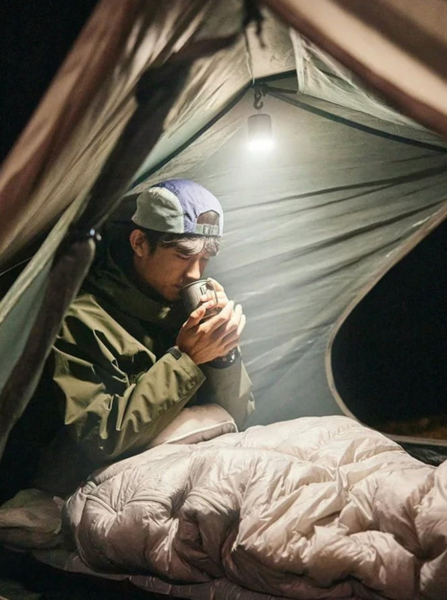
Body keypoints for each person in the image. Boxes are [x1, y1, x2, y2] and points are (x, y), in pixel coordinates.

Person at [33, 179, 254, 496]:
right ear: (139, 243)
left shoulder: (189, 308)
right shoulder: (81, 319)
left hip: (200, 471)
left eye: (205, 257)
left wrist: (223, 354)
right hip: (104, 486)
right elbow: (97, 438)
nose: (195, 273)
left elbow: (239, 414)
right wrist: (186, 360)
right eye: (182, 254)